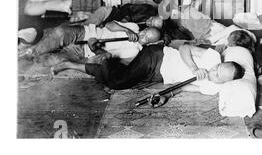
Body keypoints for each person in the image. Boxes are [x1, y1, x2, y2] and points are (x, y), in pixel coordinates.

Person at [51, 43, 246, 94]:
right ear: (219, 62)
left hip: (157, 76)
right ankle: (104, 60)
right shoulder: (211, 56)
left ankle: (107, 62)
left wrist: (167, 94)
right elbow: (184, 47)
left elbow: (183, 87)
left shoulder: (213, 89)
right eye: (217, 68)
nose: (213, 73)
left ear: (224, 83)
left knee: (121, 80)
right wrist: (194, 68)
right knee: (117, 82)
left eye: (218, 76)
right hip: (157, 56)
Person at [18, 20, 161, 65]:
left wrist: (96, 50)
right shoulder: (134, 27)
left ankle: (30, 53)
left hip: (85, 52)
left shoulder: (135, 53)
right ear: (145, 28)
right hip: (87, 32)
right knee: (59, 33)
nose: (142, 36)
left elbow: (111, 61)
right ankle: (30, 51)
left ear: (148, 44)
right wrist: (126, 30)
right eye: (144, 32)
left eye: (146, 38)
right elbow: (110, 24)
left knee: (55, 60)